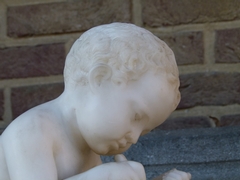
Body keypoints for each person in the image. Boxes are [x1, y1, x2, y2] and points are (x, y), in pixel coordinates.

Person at [0, 23, 191, 180]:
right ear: (99, 80)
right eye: (136, 116)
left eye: (144, 131)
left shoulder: (86, 149)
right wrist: (106, 176)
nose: (134, 137)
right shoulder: (31, 131)